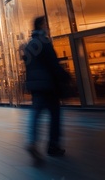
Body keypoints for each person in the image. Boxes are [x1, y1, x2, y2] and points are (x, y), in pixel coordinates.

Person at [23, 16, 71, 163]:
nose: (48, 27)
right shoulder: (45, 42)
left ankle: (32, 141)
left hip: (36, 86)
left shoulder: (29, 45)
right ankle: (53, 146)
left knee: (35, 114)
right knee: (55, 116)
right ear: (41, 26)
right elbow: (53, 64)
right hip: (48, 85)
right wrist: (65, 76)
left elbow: (28, 66)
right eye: (46, 25)